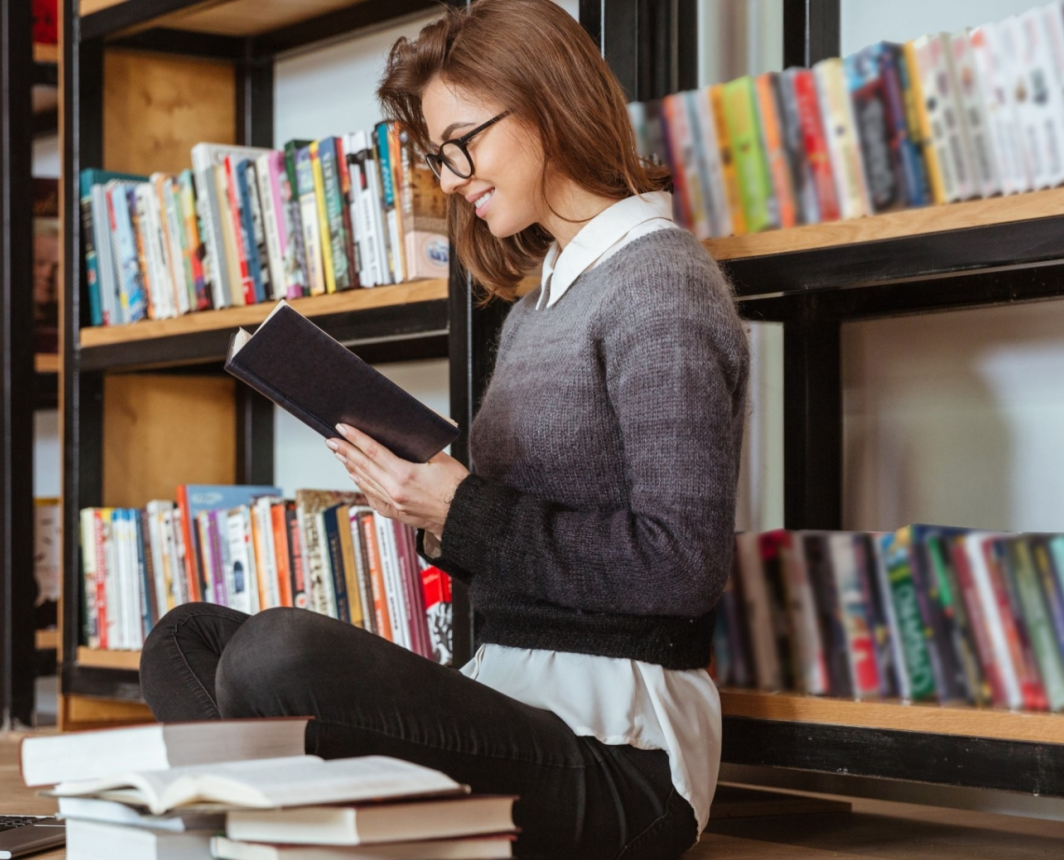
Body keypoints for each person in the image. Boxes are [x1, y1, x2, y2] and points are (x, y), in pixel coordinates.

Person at [139, 2, 748, 857]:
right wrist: (428, 508)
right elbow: (509, 528)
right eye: (440, 154)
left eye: (463, 141)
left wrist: (460, 510)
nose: (452, 175)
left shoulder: (663, 286)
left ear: (548, 103)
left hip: (625, 759)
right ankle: (275, 828)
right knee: (186, 637)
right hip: (504, 692)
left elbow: (680, 566)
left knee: (276, 655)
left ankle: (258, 826)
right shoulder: (547, 295)